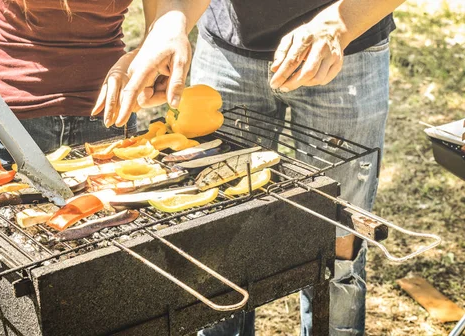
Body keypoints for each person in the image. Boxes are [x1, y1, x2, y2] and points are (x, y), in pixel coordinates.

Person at [0, 0, 208, 335]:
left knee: (113, 299)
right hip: (6, 122)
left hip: (107, 116)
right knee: (11, 309)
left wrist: (166, 30)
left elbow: (163, 18)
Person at [136, 0, 407, 335]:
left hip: (348, 50)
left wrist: (342, 23)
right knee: (219, 240)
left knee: (338, 243)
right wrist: (172, 22)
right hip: (227, 53)